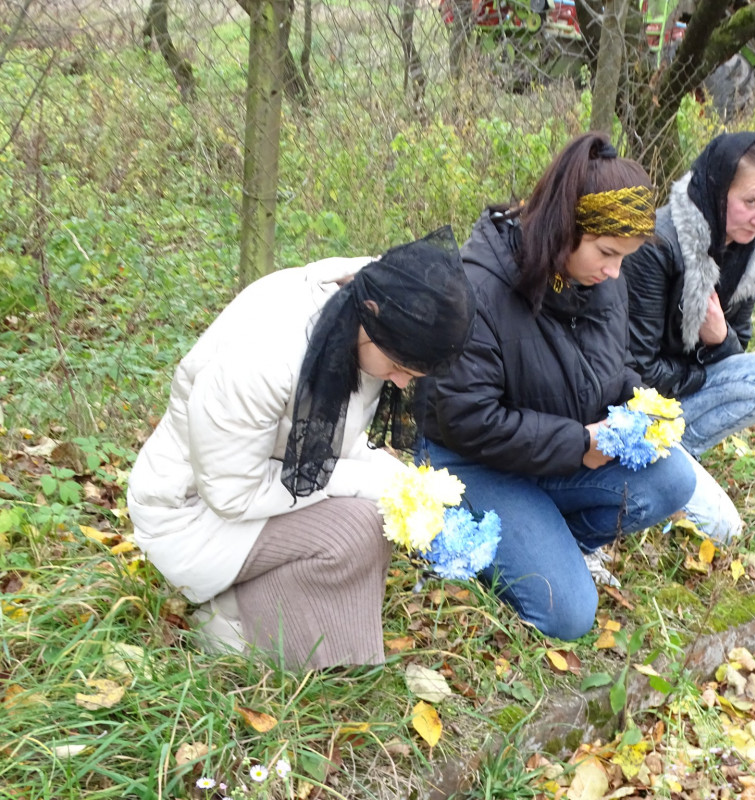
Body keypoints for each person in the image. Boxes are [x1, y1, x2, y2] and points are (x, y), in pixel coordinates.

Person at [126, 228, 476, 670]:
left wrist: (400, 484)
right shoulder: (264, 357)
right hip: (189, 512)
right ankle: (230, 631)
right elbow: (232, 493)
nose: (403, 383)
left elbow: (330, 440)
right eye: (399, 367)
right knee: (358, 526)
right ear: (370, 314)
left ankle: (261, 609)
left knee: (379, 512)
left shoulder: (372, 312)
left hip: (250, 495)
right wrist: (363, 479)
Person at [418, 132, 696, 641]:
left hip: (559, 450)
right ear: (564, 225)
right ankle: (476, 535)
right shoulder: (478, 287)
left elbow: (608, 368)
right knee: (567, 616)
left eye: (625, 258)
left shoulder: (600, 278)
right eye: (607, 252)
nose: (615, 271)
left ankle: (551, 539)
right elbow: (465, 417)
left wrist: (639, 404)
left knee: (674, 478)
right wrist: (579, 445)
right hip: (474, 461)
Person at [622, 132, 755, 543]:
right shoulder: (658, 242)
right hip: (635, 407)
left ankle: (676, 458)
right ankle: (655, 464)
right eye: (751, 201)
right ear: (717, 189)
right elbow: (636, 369)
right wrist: (706, 361)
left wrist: (718, 340)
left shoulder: (752, 248)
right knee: (725, 528)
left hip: (680, 397)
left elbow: (738, 349)